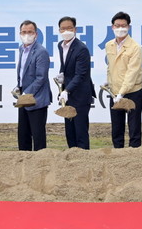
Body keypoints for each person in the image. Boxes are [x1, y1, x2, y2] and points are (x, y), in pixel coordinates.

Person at [105, 11, 142, 148]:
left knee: (133, 125)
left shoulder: (135, 47)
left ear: (129, 27)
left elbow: (132, 72)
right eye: (117, 25)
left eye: (123, 25)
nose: (120, 28)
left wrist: (122, 93)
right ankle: (118, 152)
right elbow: (110, 66)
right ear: (112, 27)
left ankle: (134, 152)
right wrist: (109, 82)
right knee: (116, 125)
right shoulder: (109, 45)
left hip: (132, 91)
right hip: (115, 91)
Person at [57, 16, 94, 149]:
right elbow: (65, 66)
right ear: (59, 30)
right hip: (68, 97)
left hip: (80, 96)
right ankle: (72, 162)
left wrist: (67, 90)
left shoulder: (81, 49)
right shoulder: (61, 46)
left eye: (69, 28)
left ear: (75, 29)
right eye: (63, 28)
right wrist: (62, 76)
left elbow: (80, 75)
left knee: (80, 131)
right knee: (70, 131)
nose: (66, 31)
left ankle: (84, 161)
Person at [17, 20, 51, 151]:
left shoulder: (41, 51)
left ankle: (41, 166)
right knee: (23, 134)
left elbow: (41, 77)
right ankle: (24, 165)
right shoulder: (22, 49)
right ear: (20, 34)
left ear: (36, 34)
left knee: (38, 136)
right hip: (24, 97)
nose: (27, 35)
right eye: (24, 32)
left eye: (30, 32)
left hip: (37, 99)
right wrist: (18, 86)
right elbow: (23, 72)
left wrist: (27, 93)